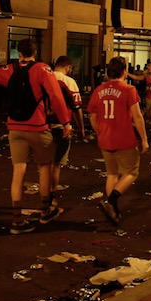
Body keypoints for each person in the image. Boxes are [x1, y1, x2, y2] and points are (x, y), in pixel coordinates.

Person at [0, 39, 73, 235]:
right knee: (44, 167)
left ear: (19, 53)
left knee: (18, 171)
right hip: (37, 126)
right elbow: (55, 96)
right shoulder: (42, 69)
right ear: (35, 52)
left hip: (14, 127)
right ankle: (45, 211)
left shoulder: (10, 69)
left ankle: (17, 220)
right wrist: (66, 122)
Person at [87, 56, 149, 226]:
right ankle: (112, 201)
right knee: (131, 172)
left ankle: (112, 210)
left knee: (112, 174)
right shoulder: (128, 90)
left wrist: (99, 131)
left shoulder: (99, 89)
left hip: (105, 139)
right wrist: (144, 139)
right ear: (124, 70)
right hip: (124, 138)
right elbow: (137, 116)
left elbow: (92, 116)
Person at [50, 56, 86, 213]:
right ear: (68, 67)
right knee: (55, 164)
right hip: (61, 126)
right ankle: (51, 194)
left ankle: (45, 195)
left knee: (44, 164)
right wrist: (81, 128)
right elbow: (77, 107)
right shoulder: (69, 82)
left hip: (42, 126)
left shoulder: (44, 77)